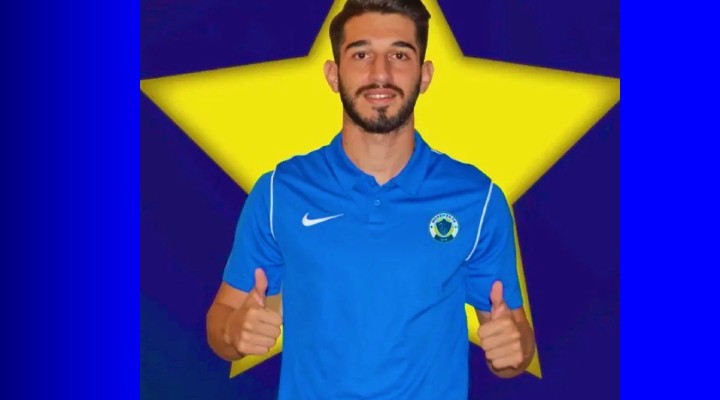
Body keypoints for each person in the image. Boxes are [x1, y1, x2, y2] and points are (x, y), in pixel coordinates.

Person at [206, 0, 536, 398]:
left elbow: (513, 339)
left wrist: (514, 350)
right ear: (333, 74)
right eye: (361, 55)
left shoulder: (477, 200)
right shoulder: (279, 192)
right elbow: (222, 319)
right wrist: (234, 332)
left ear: (425, 75)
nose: (380, 74)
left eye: (400, 55)